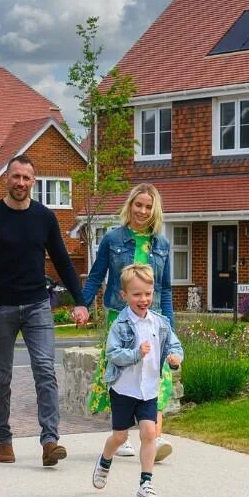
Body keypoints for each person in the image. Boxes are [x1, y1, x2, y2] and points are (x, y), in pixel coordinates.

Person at [0, 154, 89, 467]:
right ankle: (4, 439)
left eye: (26, 178)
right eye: (16, 176)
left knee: (45, 370)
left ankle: (50, 441)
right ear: (6, 179)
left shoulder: (44, 218)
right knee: (0, 376)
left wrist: (80, 300)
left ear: (33, 182)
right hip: (0, 307)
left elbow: (62, 260)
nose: (21, 183)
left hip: (37, 306)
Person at [82, 183, 176, 460]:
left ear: (154, 210)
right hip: (120, 318)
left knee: (159, 376)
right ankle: (121, 434)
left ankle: (153, 438)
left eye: (148, 206)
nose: (143, 211)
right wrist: (81, 304)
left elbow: (166, 289)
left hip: (154, 318)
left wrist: (170, 327)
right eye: (138, 205)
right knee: (122, 373)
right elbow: (97, 275)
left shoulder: (162, 244)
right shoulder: (113, 239)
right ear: (130, 205)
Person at [91, 264, 183, 497]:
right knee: (120, 437)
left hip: (148, 390)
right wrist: (135, 354)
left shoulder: (160, 323)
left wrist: (175, 359)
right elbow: (112, 353)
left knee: (149, 433)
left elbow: (174, 345)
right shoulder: (120, 325)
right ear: (124, 296)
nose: (143, 299)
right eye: (137, 294)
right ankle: (105, 460)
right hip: (124, 389)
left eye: (148, 294)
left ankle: (146, 483)